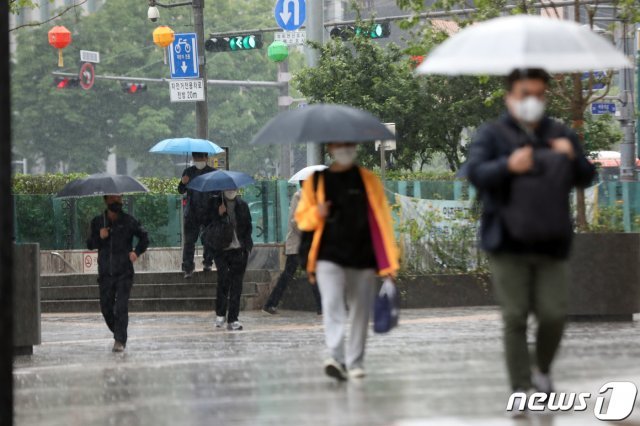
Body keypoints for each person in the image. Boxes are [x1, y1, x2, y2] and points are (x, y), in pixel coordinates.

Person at [464, 69, 595, 397]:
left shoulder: (559, 132)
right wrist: (508, 165)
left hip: (552, 239)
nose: (532, 101)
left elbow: (586, 176)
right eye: (525, 94)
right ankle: (520, 389)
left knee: (554, 314)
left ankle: (542, 369)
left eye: (539, 94)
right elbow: (475, 173)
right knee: (515, 316)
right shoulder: (491, 135)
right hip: (507, 241)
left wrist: (572, 156)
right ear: (509, 96)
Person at [295, 143, 400, 381]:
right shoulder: (317, 181)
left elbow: (382, 221)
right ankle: (336, 357)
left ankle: (354, 362)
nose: (346, 149)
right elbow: (302, 219)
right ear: (331, 148)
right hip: (327, 256)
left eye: (350, 144)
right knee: (332, 304)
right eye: (340, 145)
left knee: (360, 310)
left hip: (362, 256)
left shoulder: (368, 180)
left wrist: (389, 263)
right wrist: (317, 213)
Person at [87, 195, 149, 353]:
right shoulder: (97, 222)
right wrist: (99, 237)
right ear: (106, 201)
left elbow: (144, 237)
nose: (118, 202)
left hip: (124, 272)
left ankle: (120, 340)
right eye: (114, 200)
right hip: (105, 273)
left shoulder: (129, 221)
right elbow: (90, 244)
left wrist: (136, 252)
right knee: (106, 308)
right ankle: (119, 332)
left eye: (120, 199)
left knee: (121, 307)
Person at [263, 182, 323, 316]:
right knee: (289, 274)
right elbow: (295, 221)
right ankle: (270, 303)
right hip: (297, 244)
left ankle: (321, 307)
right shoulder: (299, 196)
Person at [211, 189, 253, 331]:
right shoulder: (215, 204)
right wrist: (220, 215)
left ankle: (233, 319)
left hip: (239, 250)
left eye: (233, 188)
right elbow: (209, 227)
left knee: (237, 285)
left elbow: (248, 227)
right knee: (223, 280)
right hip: (221, 250)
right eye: (228, 188)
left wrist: (247, 247)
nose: (231, 191)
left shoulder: (242, 205)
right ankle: (220, 313)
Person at [178, 152, 216, 279]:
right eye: (196, 158)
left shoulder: (213, 173)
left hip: (209, 212)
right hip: (192, 212)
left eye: (201, 158)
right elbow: (180, 190)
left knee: (209, 239)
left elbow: (218, 191)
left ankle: (208, 262)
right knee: (189, 241)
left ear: (206, 158)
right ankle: (188, 267)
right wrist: (183, 182)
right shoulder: (188, 172)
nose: (198, 160)